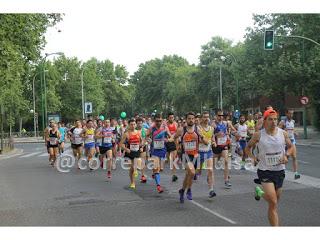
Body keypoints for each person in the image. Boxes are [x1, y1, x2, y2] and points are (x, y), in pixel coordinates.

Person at [245, 108, 293, 226]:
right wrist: (252, 157)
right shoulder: (258, 135)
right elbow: (247, 148)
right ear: (265, 121)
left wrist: (286, 155)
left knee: (274, 203)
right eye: (270, 119)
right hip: (265, 171)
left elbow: (291, 147)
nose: (274, 122)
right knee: (273, 201)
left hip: (279, 171)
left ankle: (260, 192)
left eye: (275, 119)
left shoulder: (283, 133)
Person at [175, 112, 199, 203]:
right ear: (186, 119)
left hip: (196, 155)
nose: (191, 120)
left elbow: (203, 139)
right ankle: (189, 190)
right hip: (185, 155)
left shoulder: (197, 129)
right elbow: (174, 137)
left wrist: (205, 141)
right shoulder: (181, 130)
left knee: (188, 175)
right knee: (192, 172)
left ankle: (182, 190)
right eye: (189, 118)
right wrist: (177, 146)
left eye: (192, 118)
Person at [146, 113, 171, 193]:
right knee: (156, 168)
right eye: (157, 121)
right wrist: (148, 139)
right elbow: (146, 136)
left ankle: (155, 173)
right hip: (155, 150)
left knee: (159, 168)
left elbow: (170, 136)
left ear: (162, 120)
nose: (159, 122)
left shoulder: (165, 128)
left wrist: (168, 139)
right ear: (154, 120)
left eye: (160, 121)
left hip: (163, 150)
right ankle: (159, 186)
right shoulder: (151, 128)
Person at [212, 110, 237, 188]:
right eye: (219, 115)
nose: (220, 117)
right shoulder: (213, 124)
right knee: (213, 164)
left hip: (224, 145)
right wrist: (216, 135)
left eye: (222, 115)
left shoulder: (226, 123)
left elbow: (234, 130)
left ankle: (226, 180)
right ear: (216, 116)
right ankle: (210, 175)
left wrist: (230, 133)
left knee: (226, 161)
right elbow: (210, 135)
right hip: (216, 145)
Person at [120, 118, 144, 189]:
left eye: (134, 124)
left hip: (136, 151)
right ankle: (132, 182)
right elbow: (120, 144)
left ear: (135, 125)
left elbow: (141, 141)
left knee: (136, 163)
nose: (133, 126)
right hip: (129, 152)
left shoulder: (138, 133)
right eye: (131, 124)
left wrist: (141, 147)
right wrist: (125, 149)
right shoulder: (126, 134)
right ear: (129, 125)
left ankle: (135, 171)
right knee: (132, 168)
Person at [198, 111, 217, 198]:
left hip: (208, 152)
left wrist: (214, 142)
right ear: (201, 118)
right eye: (204, 117)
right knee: (198, 172)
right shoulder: (198, 129)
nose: (206, 119)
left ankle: (211, 190)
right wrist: (206, 141)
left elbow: (212, 137)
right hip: (199, 153)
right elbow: (203, 141)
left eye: (207, 117)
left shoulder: (211, 128)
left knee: (210, 170)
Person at [278, 109, 300, 179]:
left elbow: (292, 129)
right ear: (286, 114)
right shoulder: (282, 122)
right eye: (290, 114)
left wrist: (295, 132)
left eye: (292, 114)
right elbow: (277, 131)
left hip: (292, 141)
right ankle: (281, 171)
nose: (291, 115)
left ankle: (296, 173)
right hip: (285, 142)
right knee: (285, 158)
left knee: (294, 157)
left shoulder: (293, 121)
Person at [165, 112, 179, 182]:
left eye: (172, 117)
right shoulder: (165, 124)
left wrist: (177, 144)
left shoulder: (176, 124)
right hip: (167, 142)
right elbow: (167, 132)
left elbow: (177, 134)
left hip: (173, 142)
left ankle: (173, 174)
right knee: (167, 160)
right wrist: (170, 137)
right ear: (168, 118)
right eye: (170, 117)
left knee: (174, 159)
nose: (171, 119)